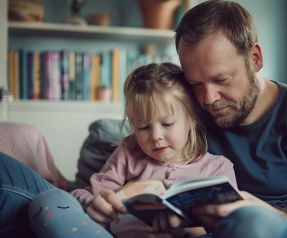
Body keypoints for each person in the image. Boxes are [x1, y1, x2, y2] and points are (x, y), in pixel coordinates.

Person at [156, 0, 287, 237]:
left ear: (255, 58)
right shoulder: (186, 113)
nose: (208, 99)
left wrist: (266, 215)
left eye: (221, 80)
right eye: (195, 84)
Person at [0, 63, 237, 237]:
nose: (155, 136)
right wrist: (96, 203)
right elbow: (84, 194)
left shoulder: (218, 168)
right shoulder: (128, 154)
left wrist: (188, 229)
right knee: (52, 200)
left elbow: (232, 223)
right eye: (143, 127)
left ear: (192, 119)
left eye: (167, 124)